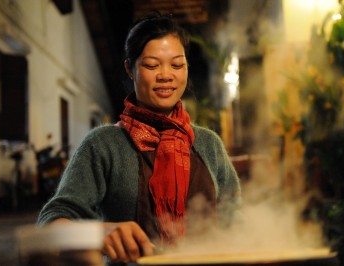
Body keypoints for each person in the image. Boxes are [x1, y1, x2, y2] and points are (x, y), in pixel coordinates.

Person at [37, 13, 241, 265]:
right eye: (152, 65)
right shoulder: (104, 144)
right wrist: (99, 234)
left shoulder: (209, 144)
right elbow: (51, 222)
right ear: (130, 69)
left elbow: (235, 219)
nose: (166, 75)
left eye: (177, 65)